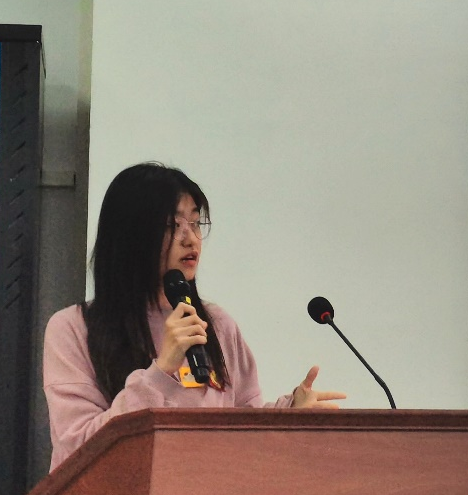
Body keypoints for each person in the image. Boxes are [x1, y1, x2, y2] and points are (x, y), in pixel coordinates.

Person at [43, 162, 345, 470]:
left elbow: (245, 427)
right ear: (131, 235)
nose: (191, 239)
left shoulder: (217, 324)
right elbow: (77, 450)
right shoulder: (72, 329)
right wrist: (162, 371)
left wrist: (291, 412)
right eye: (172, 226)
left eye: (196, 223)